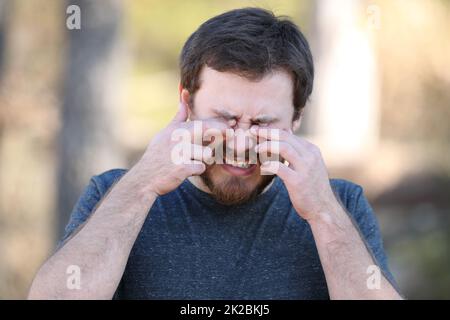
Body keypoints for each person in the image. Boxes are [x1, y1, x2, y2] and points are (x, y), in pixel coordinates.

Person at [28, 7, 401, 299]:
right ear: (186, 104)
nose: (239, 144)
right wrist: (141, 185)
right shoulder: (114, 192)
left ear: (297, 118)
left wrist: (323, 214)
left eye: (262, 124)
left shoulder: (340, 205)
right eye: (224, 118)